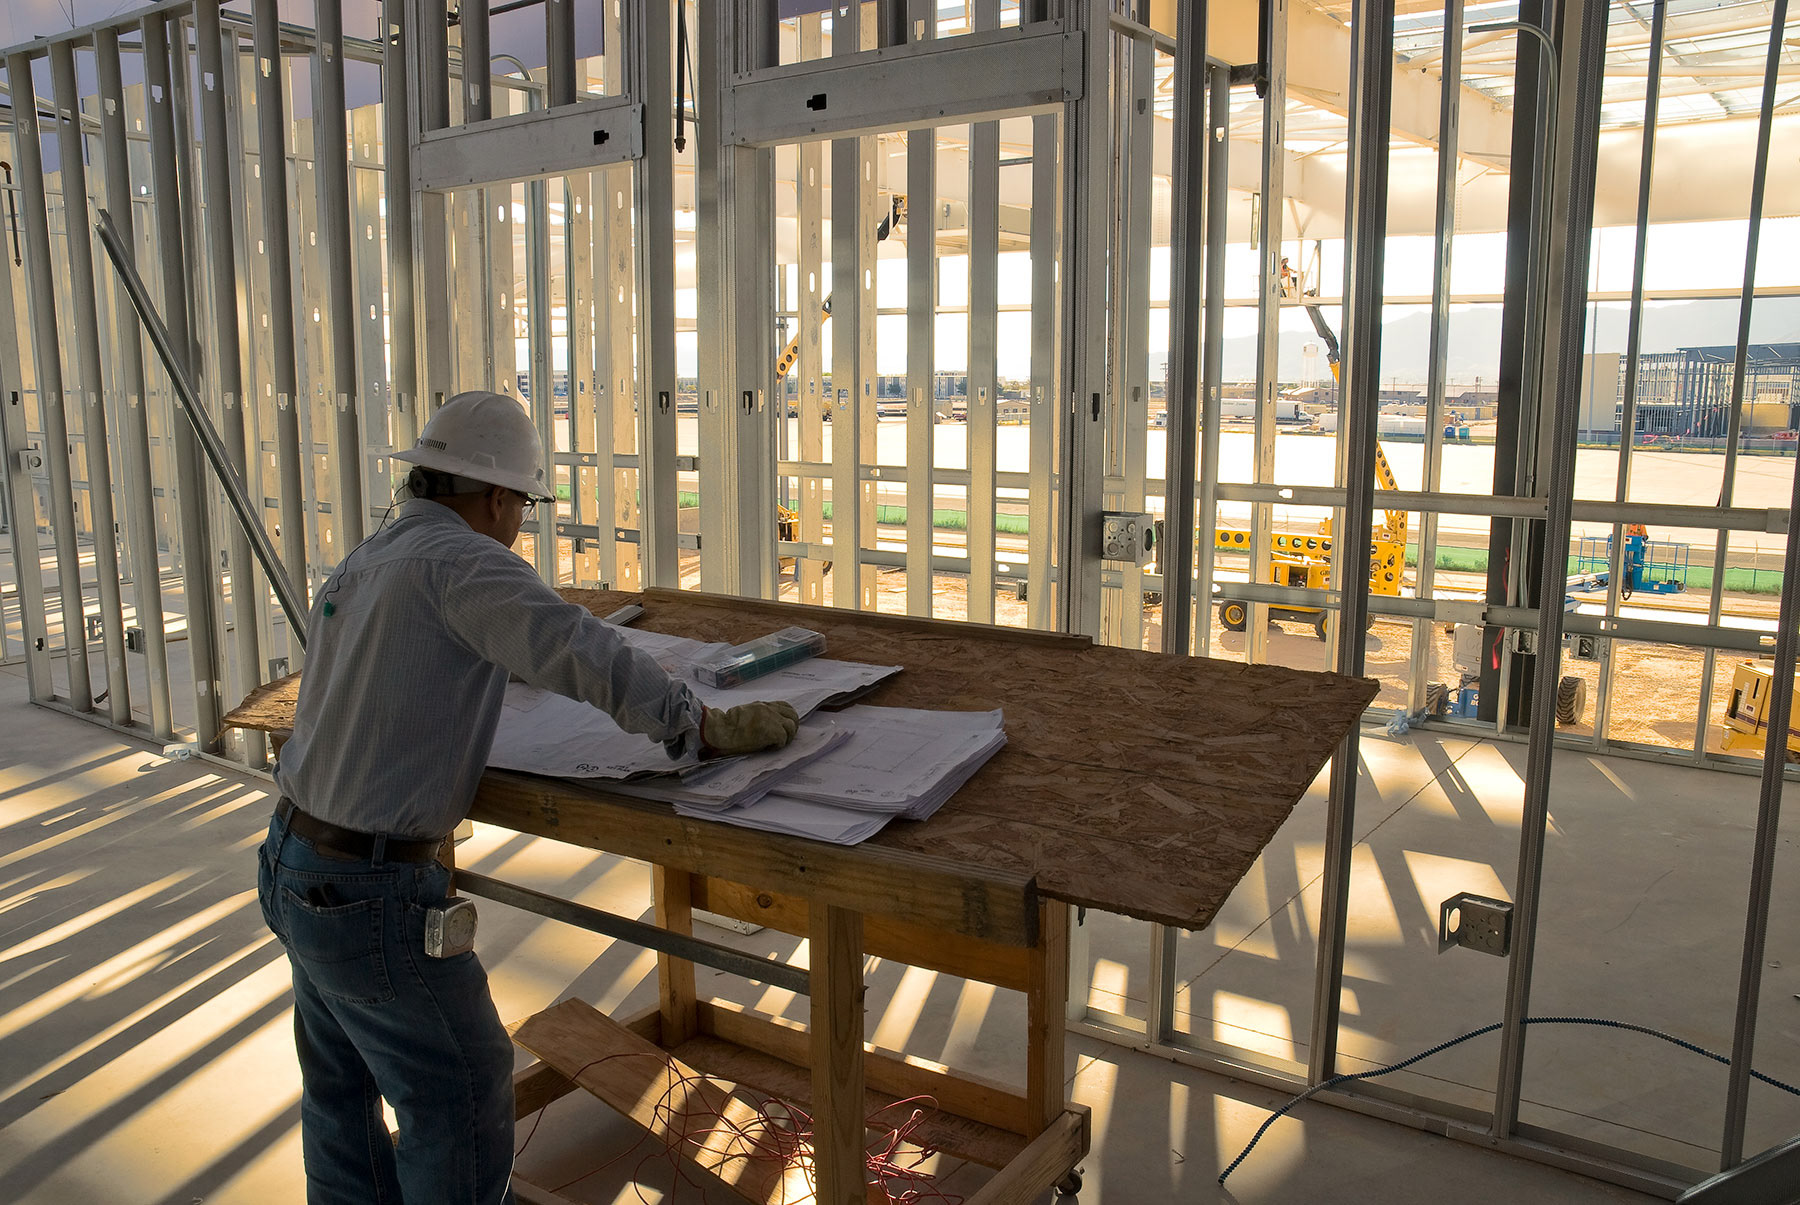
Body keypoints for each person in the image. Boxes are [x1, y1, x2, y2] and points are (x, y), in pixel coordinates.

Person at [258, 390, 797, 1204]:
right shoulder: (467, 562)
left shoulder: (372, 557)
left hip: (294, 864)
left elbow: (413, 661)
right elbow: (579, 646)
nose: (518, 525)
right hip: (371, 893)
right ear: (499, 497)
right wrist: (698, 725)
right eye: (522, 507)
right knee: (463, 1090)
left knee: (339, 1089)